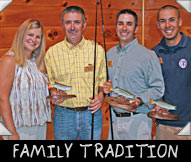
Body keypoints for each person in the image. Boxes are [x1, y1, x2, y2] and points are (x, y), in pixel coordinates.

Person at [45, 6, 107, 140]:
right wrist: (53, 93)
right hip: (63, 115)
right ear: (62, 25)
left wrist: (101, 97)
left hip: (91, 114)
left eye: (77, 22)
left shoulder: (97, 50)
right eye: (68, 22)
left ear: (84, 25)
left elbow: (102, 82)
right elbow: (50, 84)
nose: (72, 27)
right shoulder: (52, 53)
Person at [103, 9, 165, 140]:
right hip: (114, 121)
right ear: (116, 27)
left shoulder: (148, 56)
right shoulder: (109, 54)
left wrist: (140, 99)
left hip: (138, 122)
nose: (124, 28)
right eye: (120, 23)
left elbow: (158, 88)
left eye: (129, 24)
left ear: (136, 28)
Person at [0, 19, 51, 140]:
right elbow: (2, 99)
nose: (34, 40)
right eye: (30, 34)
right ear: (21, 35)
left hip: (40, 125)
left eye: (38, 36)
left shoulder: (38, 62)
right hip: (18, 127)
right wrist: (11, 133)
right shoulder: (9, 60)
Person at [152, 5, 191, 140]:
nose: (167, 25)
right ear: (158, 25)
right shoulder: (154, 53)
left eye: (172, 20)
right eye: (162, 21)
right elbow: (153, 87)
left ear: (179, 22)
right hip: (164, 126)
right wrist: (156, 102)